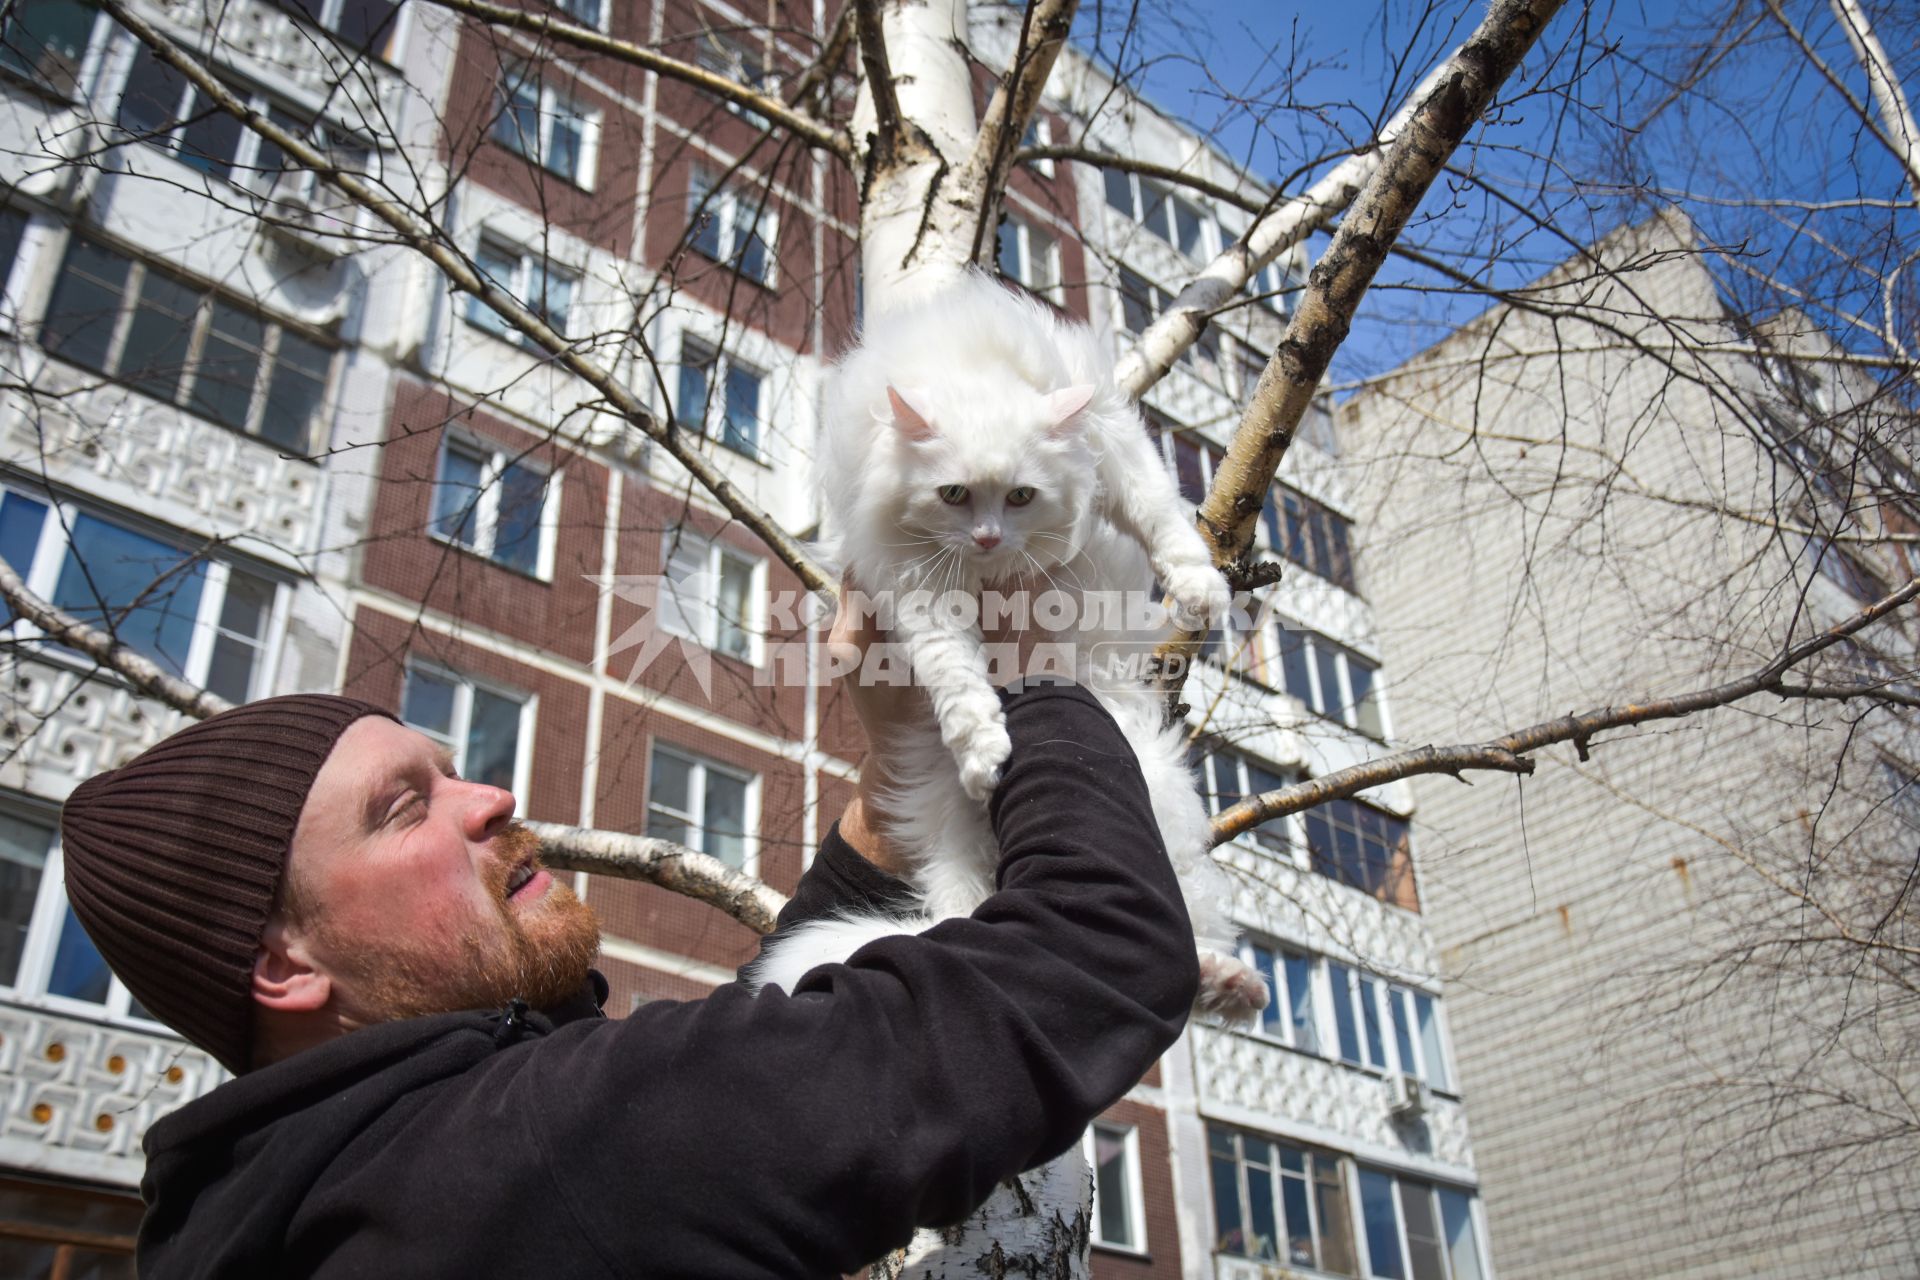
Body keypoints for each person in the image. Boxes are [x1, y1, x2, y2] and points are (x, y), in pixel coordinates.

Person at [57, 601, 1200, 1278]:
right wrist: (1014, 677)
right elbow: (1096, 948)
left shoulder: (315, 1201)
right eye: (406, 806)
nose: (493, 796)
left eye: (454, 769)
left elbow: (709, 1098)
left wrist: (889, 798)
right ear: (284, 964)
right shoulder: (526, 1158)